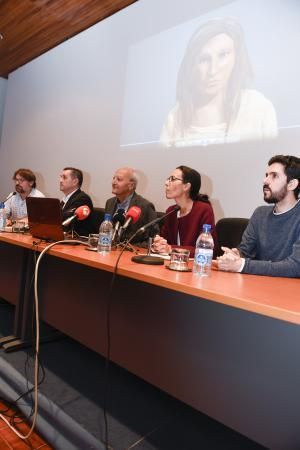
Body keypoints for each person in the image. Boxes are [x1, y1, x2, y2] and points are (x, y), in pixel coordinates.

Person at [160, 17, 277, 147]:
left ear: (236, 58)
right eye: (204, 59)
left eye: (223, 55)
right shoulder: (175, 118)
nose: (213, 70)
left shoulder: (258, 107)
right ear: (192, 66)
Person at [217, 155, 300, 277]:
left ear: (292, 184)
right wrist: (236, 255)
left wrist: (242, 265)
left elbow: (295, 266)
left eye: (274, 176)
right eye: (266, 175)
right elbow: (246, 251)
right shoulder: (260, 214)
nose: (265, 181)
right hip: (258, 286)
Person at [152, 165, 216, 257]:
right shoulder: (171, 211)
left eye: (172, 179)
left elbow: (206, 249)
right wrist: (160, 244)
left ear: (186, 186)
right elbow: (166, 243)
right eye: (168, 179)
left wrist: (171, 249)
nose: (166, 183)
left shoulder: (203, 209)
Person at [105, 167, 158, 246]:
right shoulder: (109, 203)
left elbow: (153, 239)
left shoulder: (145, 206)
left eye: (119, 179)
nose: (113, 182)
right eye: (113, 178)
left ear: (131, 185)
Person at [60, 167, 95, 236]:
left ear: (75, 182)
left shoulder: (83, 199)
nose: (60, 180)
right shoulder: (66, 198)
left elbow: (65, 220)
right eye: (60, 177)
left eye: (64, 178)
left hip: (77, 241)